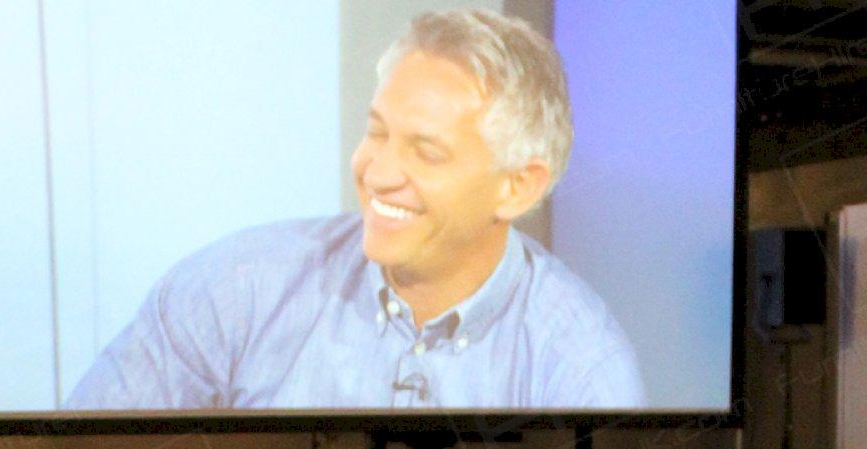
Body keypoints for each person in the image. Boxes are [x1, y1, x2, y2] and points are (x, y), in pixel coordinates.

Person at [65, 9, 645, 411]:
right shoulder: (232, 290)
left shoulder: (581, 369)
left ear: (518, 188)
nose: (378, 173)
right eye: (377, 133)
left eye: (427, 152)